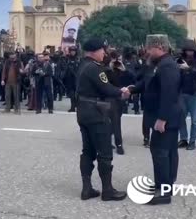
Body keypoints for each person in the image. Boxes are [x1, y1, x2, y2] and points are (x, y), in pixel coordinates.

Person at [130, 34, 183, 205]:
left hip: (166, 117)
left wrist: (162, 119)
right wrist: (131, 90)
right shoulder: (158, 64)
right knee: (166, 151)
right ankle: (164, 184)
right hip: (164, 115)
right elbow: (147, 84)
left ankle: (165, 193)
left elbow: (169, 94)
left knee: (161, 152)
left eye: (150, 48)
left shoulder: (167, 66)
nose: (147, 51)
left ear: (159, 47)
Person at [76, 37, 129, 202]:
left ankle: (87, 189)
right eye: (102, 50)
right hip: (96, 113)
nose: (104, 53)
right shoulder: (94, 68)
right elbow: (105, 88)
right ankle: (108, 190)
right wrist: (122, 92)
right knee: (105, 152)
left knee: (88, 150)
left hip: (83, 112)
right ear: (94, 52)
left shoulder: (82, 65)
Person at [177, 39, 196, 150]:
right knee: (180, 117)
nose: (189, 53)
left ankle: (192, 141)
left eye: (191, 51)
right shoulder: (181, 59)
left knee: (195, 120)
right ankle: (183, 139)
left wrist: (189, 68)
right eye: (187, 51)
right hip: (183, 92)